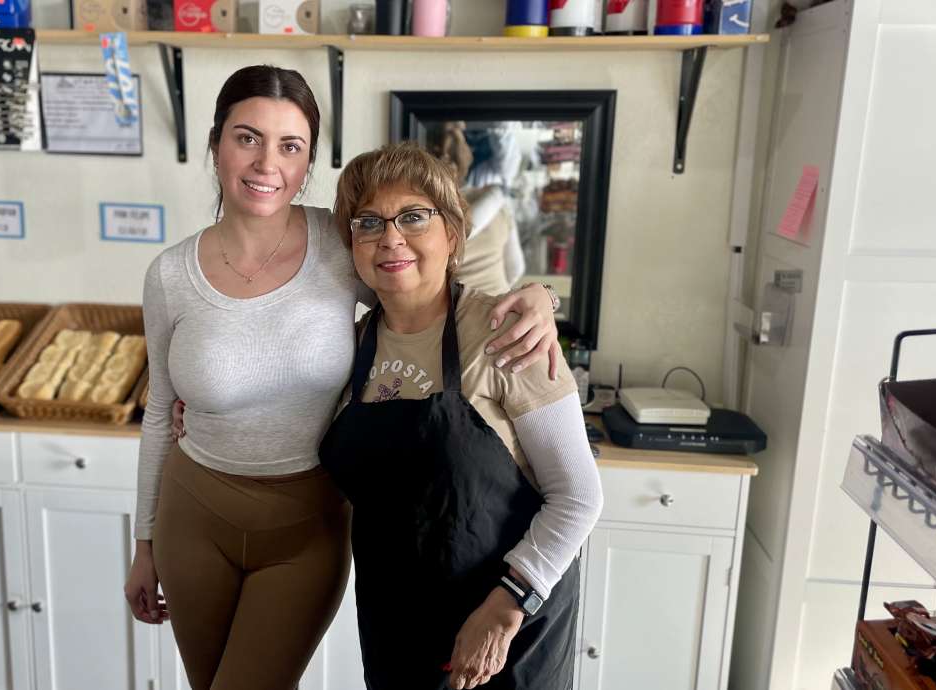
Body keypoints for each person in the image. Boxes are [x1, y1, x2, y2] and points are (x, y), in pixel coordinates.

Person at [123, 65, 564, 690]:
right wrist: (143, 543)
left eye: (290, 145)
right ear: (217, 143)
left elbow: (433, 284)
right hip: (191, 515)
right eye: (247, 137)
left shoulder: (341, 245)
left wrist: (542, 295)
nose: (265, 162)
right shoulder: (169, 275)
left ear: (307, 164)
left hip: (306, 526)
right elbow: (159, 408)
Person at [319, 142, 603, 690]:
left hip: (508, 627)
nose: (390, 237)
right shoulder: (348, 347)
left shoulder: (507, 335)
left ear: (452, 234)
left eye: (413, 217)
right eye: (369, 221)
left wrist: (507, 605)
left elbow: (578, 495)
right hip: (397, 628)